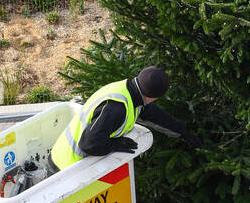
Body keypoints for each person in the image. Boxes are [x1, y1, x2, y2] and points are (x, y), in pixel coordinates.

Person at [48, 65, 200, 173]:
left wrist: (183, 132)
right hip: (66, 167)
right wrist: (115, 144)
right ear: (152, 97)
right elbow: (88, 144)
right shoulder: (117, 108)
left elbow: (155, 115)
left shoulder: (131, 90)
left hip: (66, 157)